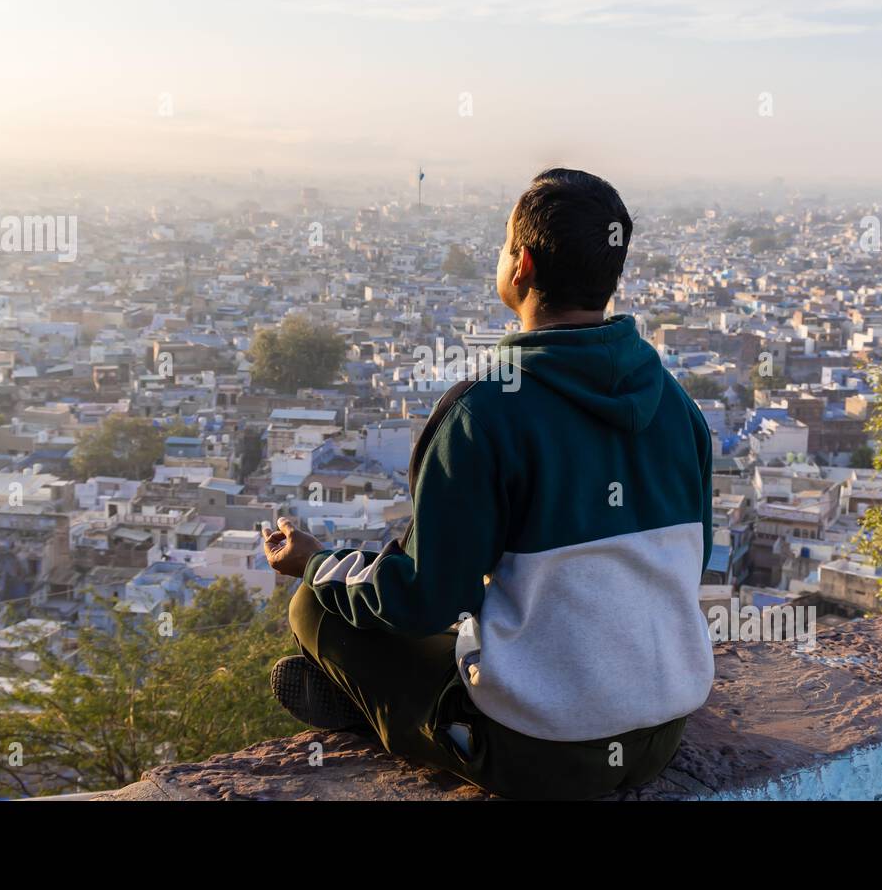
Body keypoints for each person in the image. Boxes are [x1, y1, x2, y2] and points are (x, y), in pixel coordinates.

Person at [264, 168, 714, 799]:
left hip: (543, 753)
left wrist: (317, 564)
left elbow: (425, 598)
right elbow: (686, 570)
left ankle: (393, 713)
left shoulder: (485, 414)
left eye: (505, 247)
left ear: (522, 264)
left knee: (318, 610)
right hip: (663, 730)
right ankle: (389, 705)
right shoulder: (677, 408)